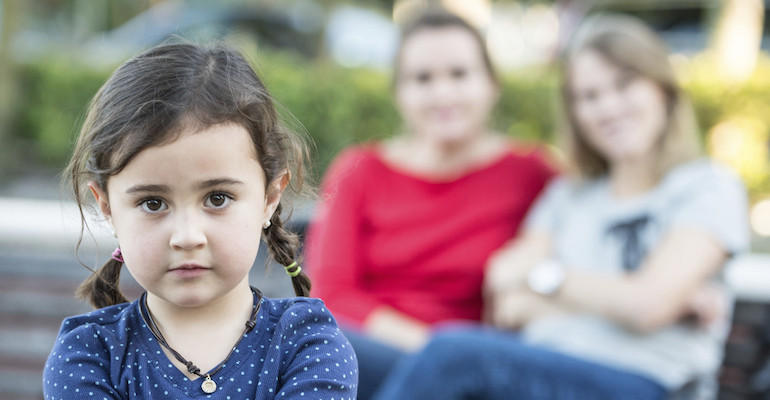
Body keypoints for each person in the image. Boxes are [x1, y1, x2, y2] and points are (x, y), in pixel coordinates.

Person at [370, 14, 750, 400]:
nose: (609, 107)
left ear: (663, 91)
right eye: (589, 96)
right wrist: (633, 300)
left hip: (644, 382)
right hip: (541, 374)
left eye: (625, 84)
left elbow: (647, 306)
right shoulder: (568, 195)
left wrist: (549, 279)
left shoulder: (706, 187)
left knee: (452, 353)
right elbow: (506, 294)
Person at [43, 42, 357, 400]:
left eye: (217, 198)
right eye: (153, 202)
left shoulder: (309, 346)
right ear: (108, 207)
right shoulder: (89, 356)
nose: (187, 236)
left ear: (270, 197)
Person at [305, 12, 555, 400]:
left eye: (459, 74)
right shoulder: (359, 171)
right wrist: (435, 351)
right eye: (422, 79)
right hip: (371, 353)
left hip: (483, 368)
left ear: (492, 84)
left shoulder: (533, 173)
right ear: (399, 92)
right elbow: (332, 292)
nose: (443, 94)